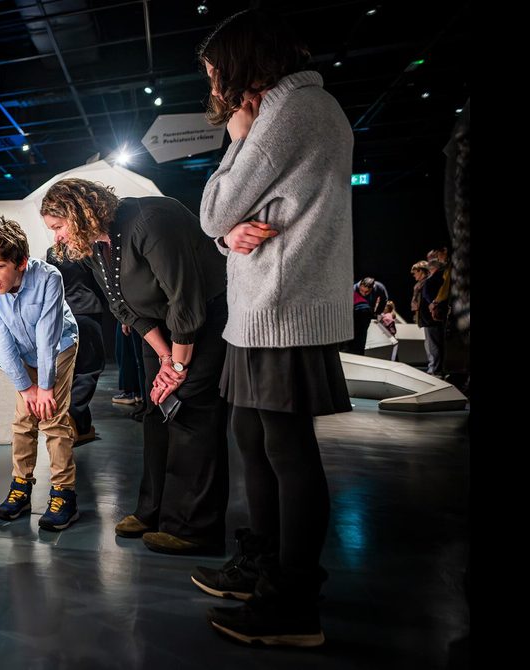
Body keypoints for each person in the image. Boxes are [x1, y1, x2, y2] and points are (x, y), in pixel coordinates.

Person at [192, 8, 355, 648]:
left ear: (242, 64)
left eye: (215, 73)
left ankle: (292, 602)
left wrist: (236, 137)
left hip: (280, 310)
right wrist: (232, 234)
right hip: (271, 307)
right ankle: (265, 567)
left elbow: (212, 209)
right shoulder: (314, 109)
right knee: (258, 440)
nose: (215, 88)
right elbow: (234, 224)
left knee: (286, 452)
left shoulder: (283, 115)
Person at [41, 178, 229, 556]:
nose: (57, 240)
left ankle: (195, 528)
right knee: (156, 415)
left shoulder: (150, 221)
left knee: (190, 415)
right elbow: (120, 305)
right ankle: (154, 510)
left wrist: (175, 365)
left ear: (79, 213)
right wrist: (162, 356)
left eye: (58, 228)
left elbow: (185, 297)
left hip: (201, 322)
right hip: (159, 331)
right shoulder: (93, 246)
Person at [0, 217, 80, 531]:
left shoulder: (49, 278)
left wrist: (45, 388)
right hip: (22, 354)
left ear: (21, 262)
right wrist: (26, 388)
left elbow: (47, 337)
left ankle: (64, 492)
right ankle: (21, 488)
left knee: (50, 416)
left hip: (58, 347)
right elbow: (1, 341)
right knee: (23, 421)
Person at [46, 245, 105, 444]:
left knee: (72, 369)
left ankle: (82, 426)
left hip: (64, 314)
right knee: (90, 368)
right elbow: (100, 281)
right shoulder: (87, 250)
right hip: (87, 310)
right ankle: (71, 415)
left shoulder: (52, 252)